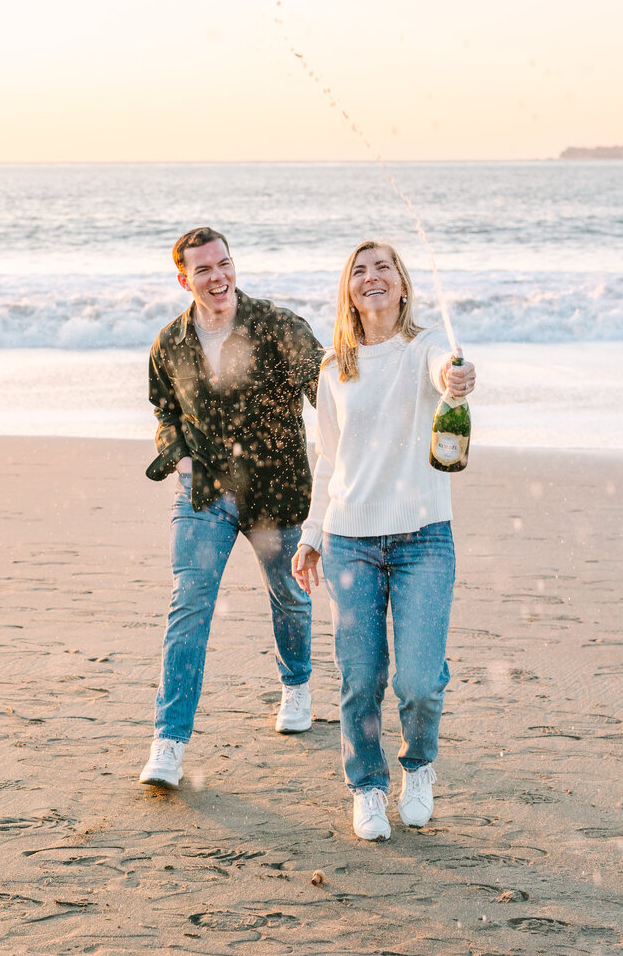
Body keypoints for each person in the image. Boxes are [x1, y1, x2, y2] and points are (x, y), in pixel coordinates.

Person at [292, 239, 476, 841]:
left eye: (383, 269)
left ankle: (418, 768)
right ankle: (367, 787)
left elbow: (445, 376)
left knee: (419, 682)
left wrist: (456, 380)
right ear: (349, 289)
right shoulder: (332, 368)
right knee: (361, 676)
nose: (372, 278)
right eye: (360, 271)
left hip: (424, 536)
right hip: (349, 541)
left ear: (402, 284)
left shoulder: (425, 349)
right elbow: (328, 458)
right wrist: (312, 533)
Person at [139, 226, 324, 789]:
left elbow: (331, 385)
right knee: (189, 604)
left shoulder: (279, 327)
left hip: (277, 489)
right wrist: (178, 457)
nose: (217, 277)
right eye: (203, 269)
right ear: (183, 278)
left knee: (289, 595)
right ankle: (168, 743)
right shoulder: (169, 343)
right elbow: (163, 409)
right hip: (205, 491)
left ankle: (296, 685)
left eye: (224, 264)